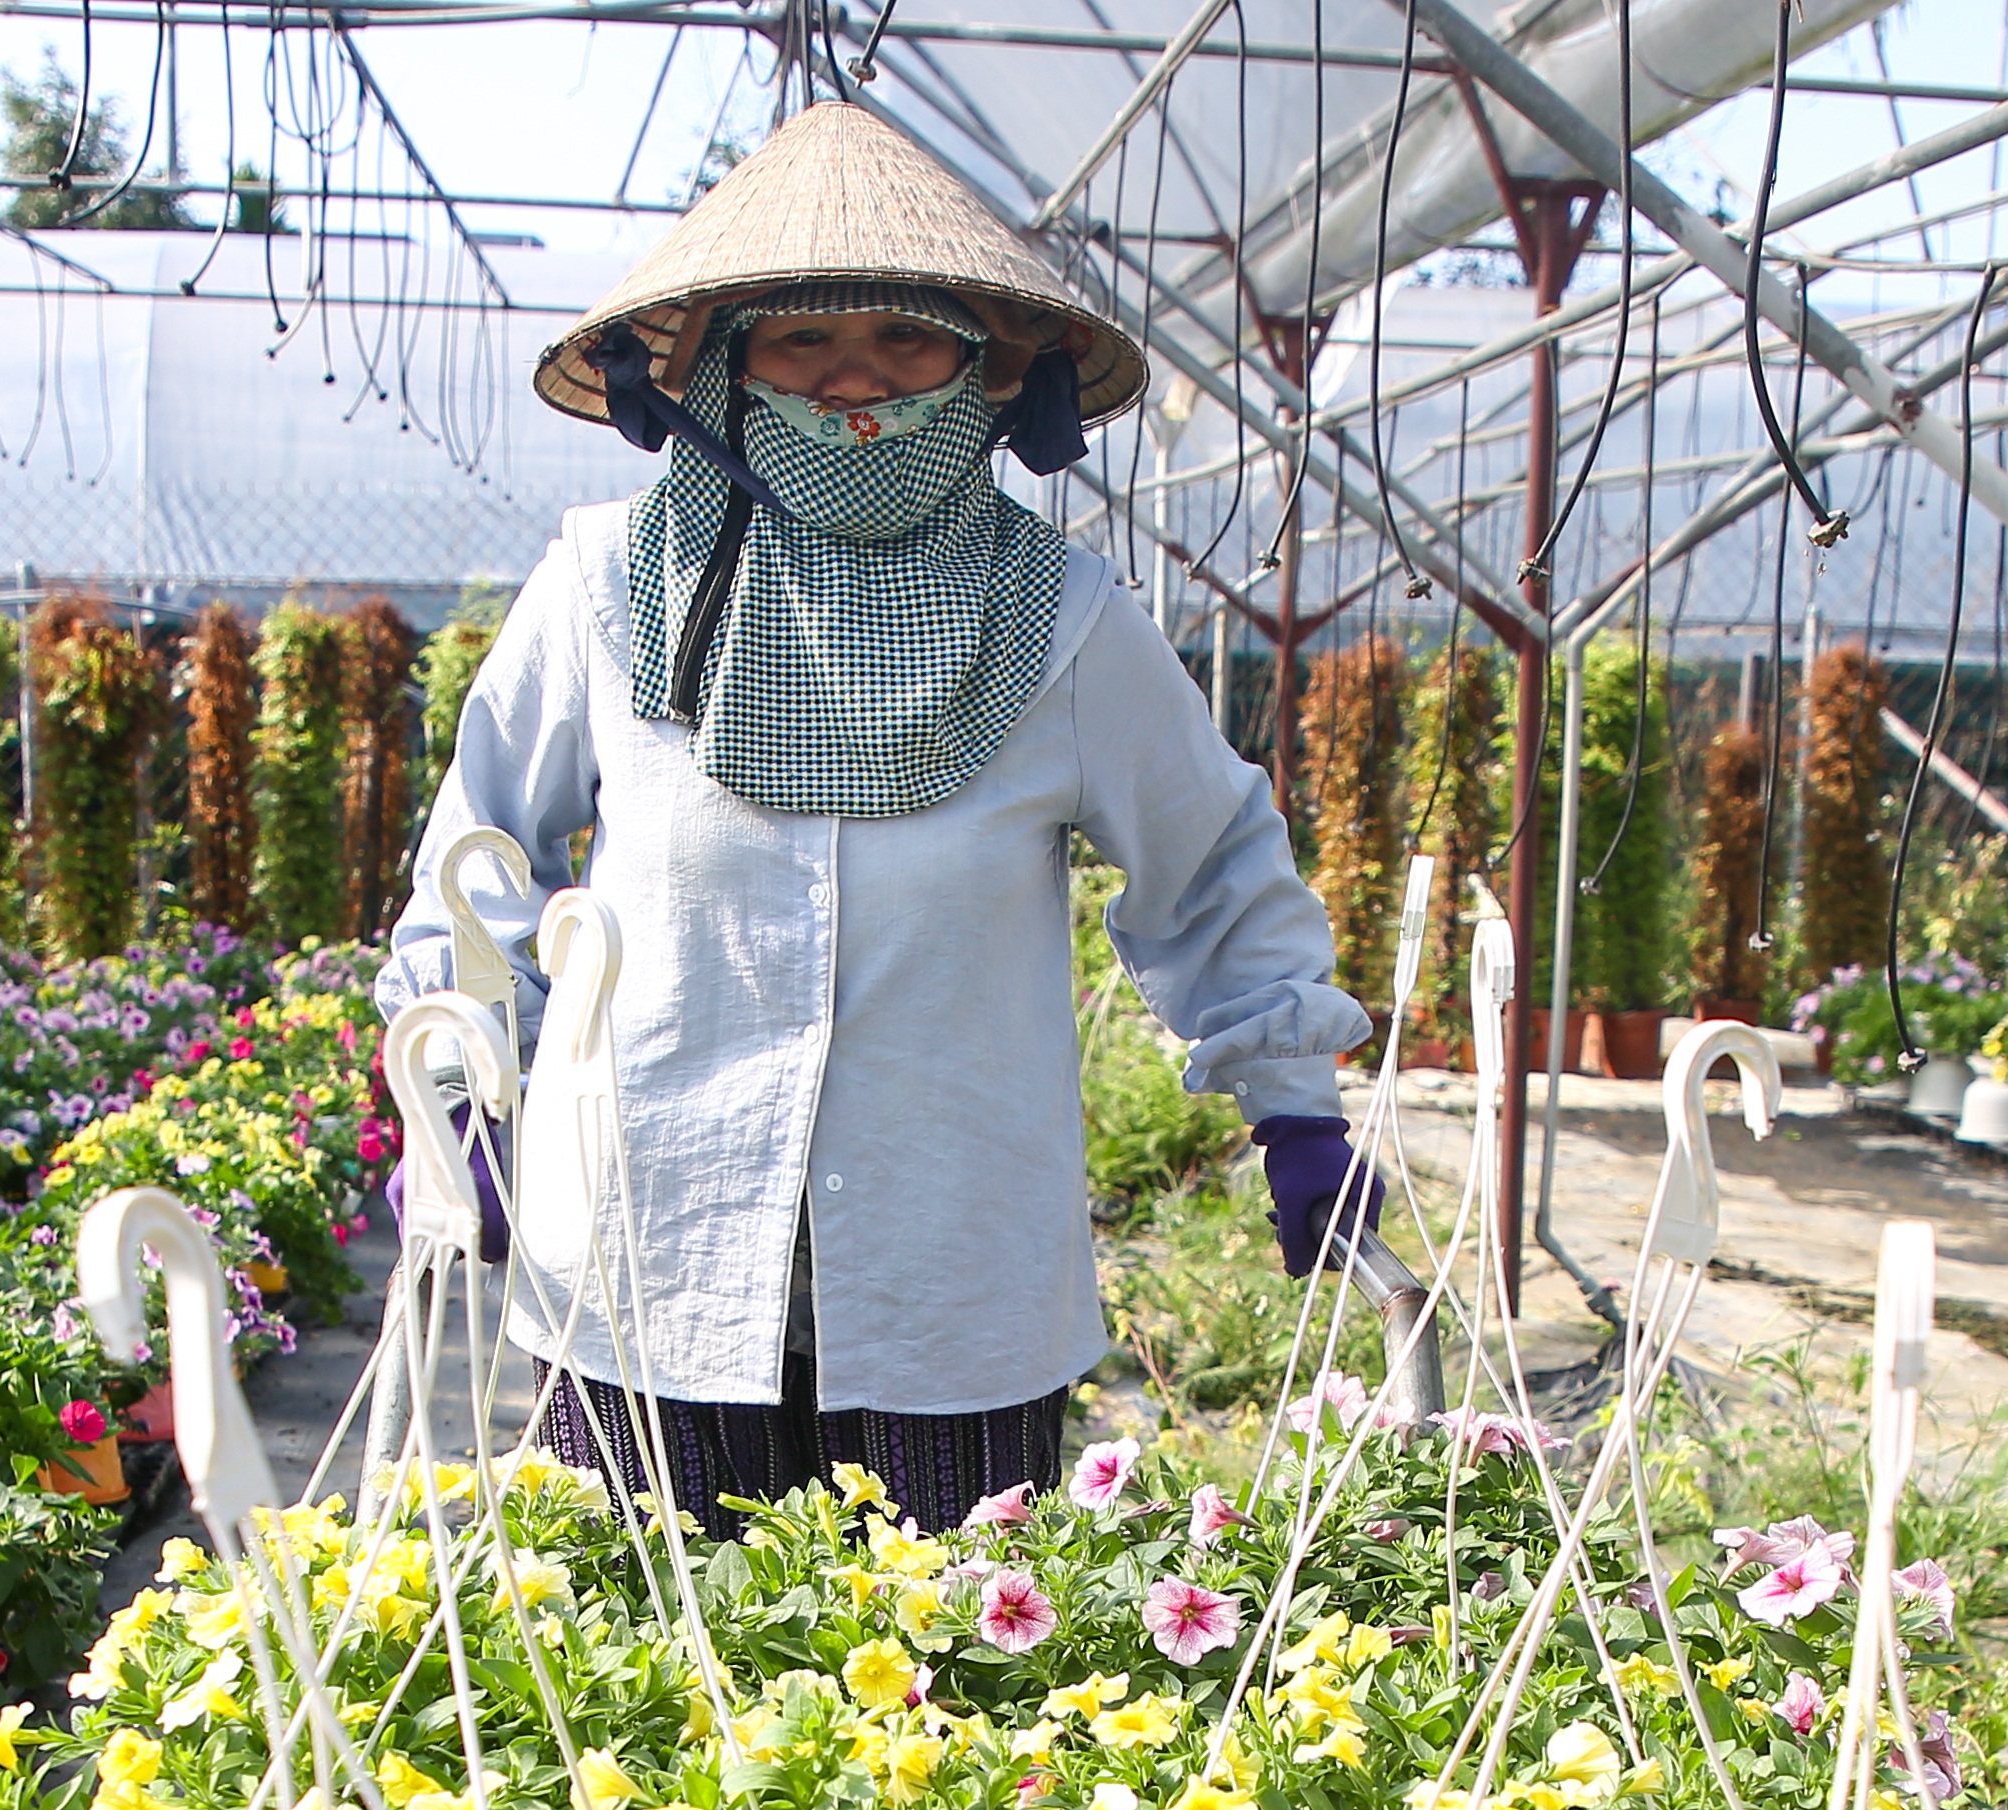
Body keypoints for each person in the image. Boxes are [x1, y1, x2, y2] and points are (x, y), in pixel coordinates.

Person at [378, 101, 1367, 1527]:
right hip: (650, 1245)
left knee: (947, 1694)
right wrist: (468, 1085)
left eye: (907, 342)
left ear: (985, 376)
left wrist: (1293, 1104)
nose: (858, 385)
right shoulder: (603, 591)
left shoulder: (1066, 620)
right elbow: (482, 854)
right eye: (803, 344)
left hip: (947, 1272)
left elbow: (1209, 862)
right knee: (636, 1692)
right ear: (718, 369)